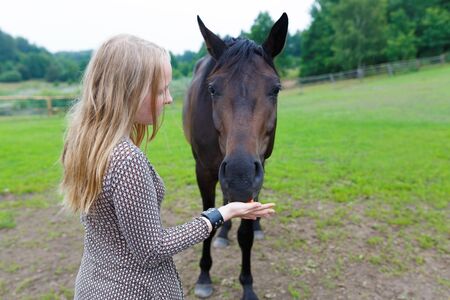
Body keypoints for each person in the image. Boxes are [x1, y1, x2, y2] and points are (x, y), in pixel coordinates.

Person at [60, 34, 275, 299]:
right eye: (161, 90)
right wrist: (223, 213)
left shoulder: (85, 144)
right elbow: (152, 250)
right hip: (135, 291)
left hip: (93, 283)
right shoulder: (127, 161)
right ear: (129, 91)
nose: (169, 99)